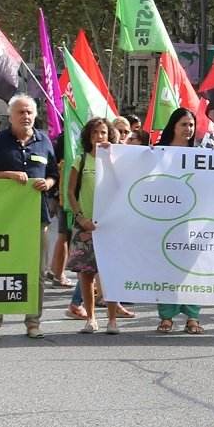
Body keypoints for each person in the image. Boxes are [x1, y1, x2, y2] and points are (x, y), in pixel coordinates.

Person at [0, 93, 58, 339]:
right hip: (3, 218)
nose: (26, 116)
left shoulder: (44, 141)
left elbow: (54, 173)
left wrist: (49, 183)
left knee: (38, 272)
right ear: (10, 116)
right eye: (20, 112)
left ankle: (33, 322)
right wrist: (8, 175)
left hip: (37, 217)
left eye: (29, 112)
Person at [62, 115, 126, 334]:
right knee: (86, 274)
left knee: (110, 274)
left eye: (103, 133)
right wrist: (80, 217)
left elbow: (124, 186)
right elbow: (70, 191)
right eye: (95, 133)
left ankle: (112, 320)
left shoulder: (115, 159)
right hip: (85, 225)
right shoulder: (80, 160)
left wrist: (113, 155)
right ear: (88, 137)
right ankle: (91, 318)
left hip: (110, 226)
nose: (99, 137)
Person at [152, 107, 206, 334]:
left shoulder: (203, 154)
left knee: (192, 270)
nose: (188, 129)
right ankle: (166, 316)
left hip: (194, 221)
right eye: (184, 124)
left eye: (191, 125)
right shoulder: (157, 153)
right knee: (166, 267)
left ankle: (193, 316)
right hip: (165, 219)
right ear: (173, 126)